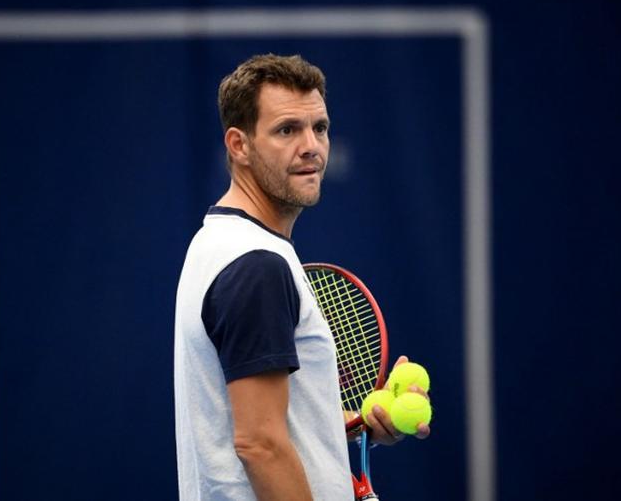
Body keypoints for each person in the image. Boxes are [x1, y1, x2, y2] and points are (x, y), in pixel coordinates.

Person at [174, 54, 430, 500]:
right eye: (287, 130)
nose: (311, 145)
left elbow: (259, 424)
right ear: (239, 145)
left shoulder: (217, 242)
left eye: (321, 128)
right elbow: (260, 444)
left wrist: (347, 422)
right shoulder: (257, 264)